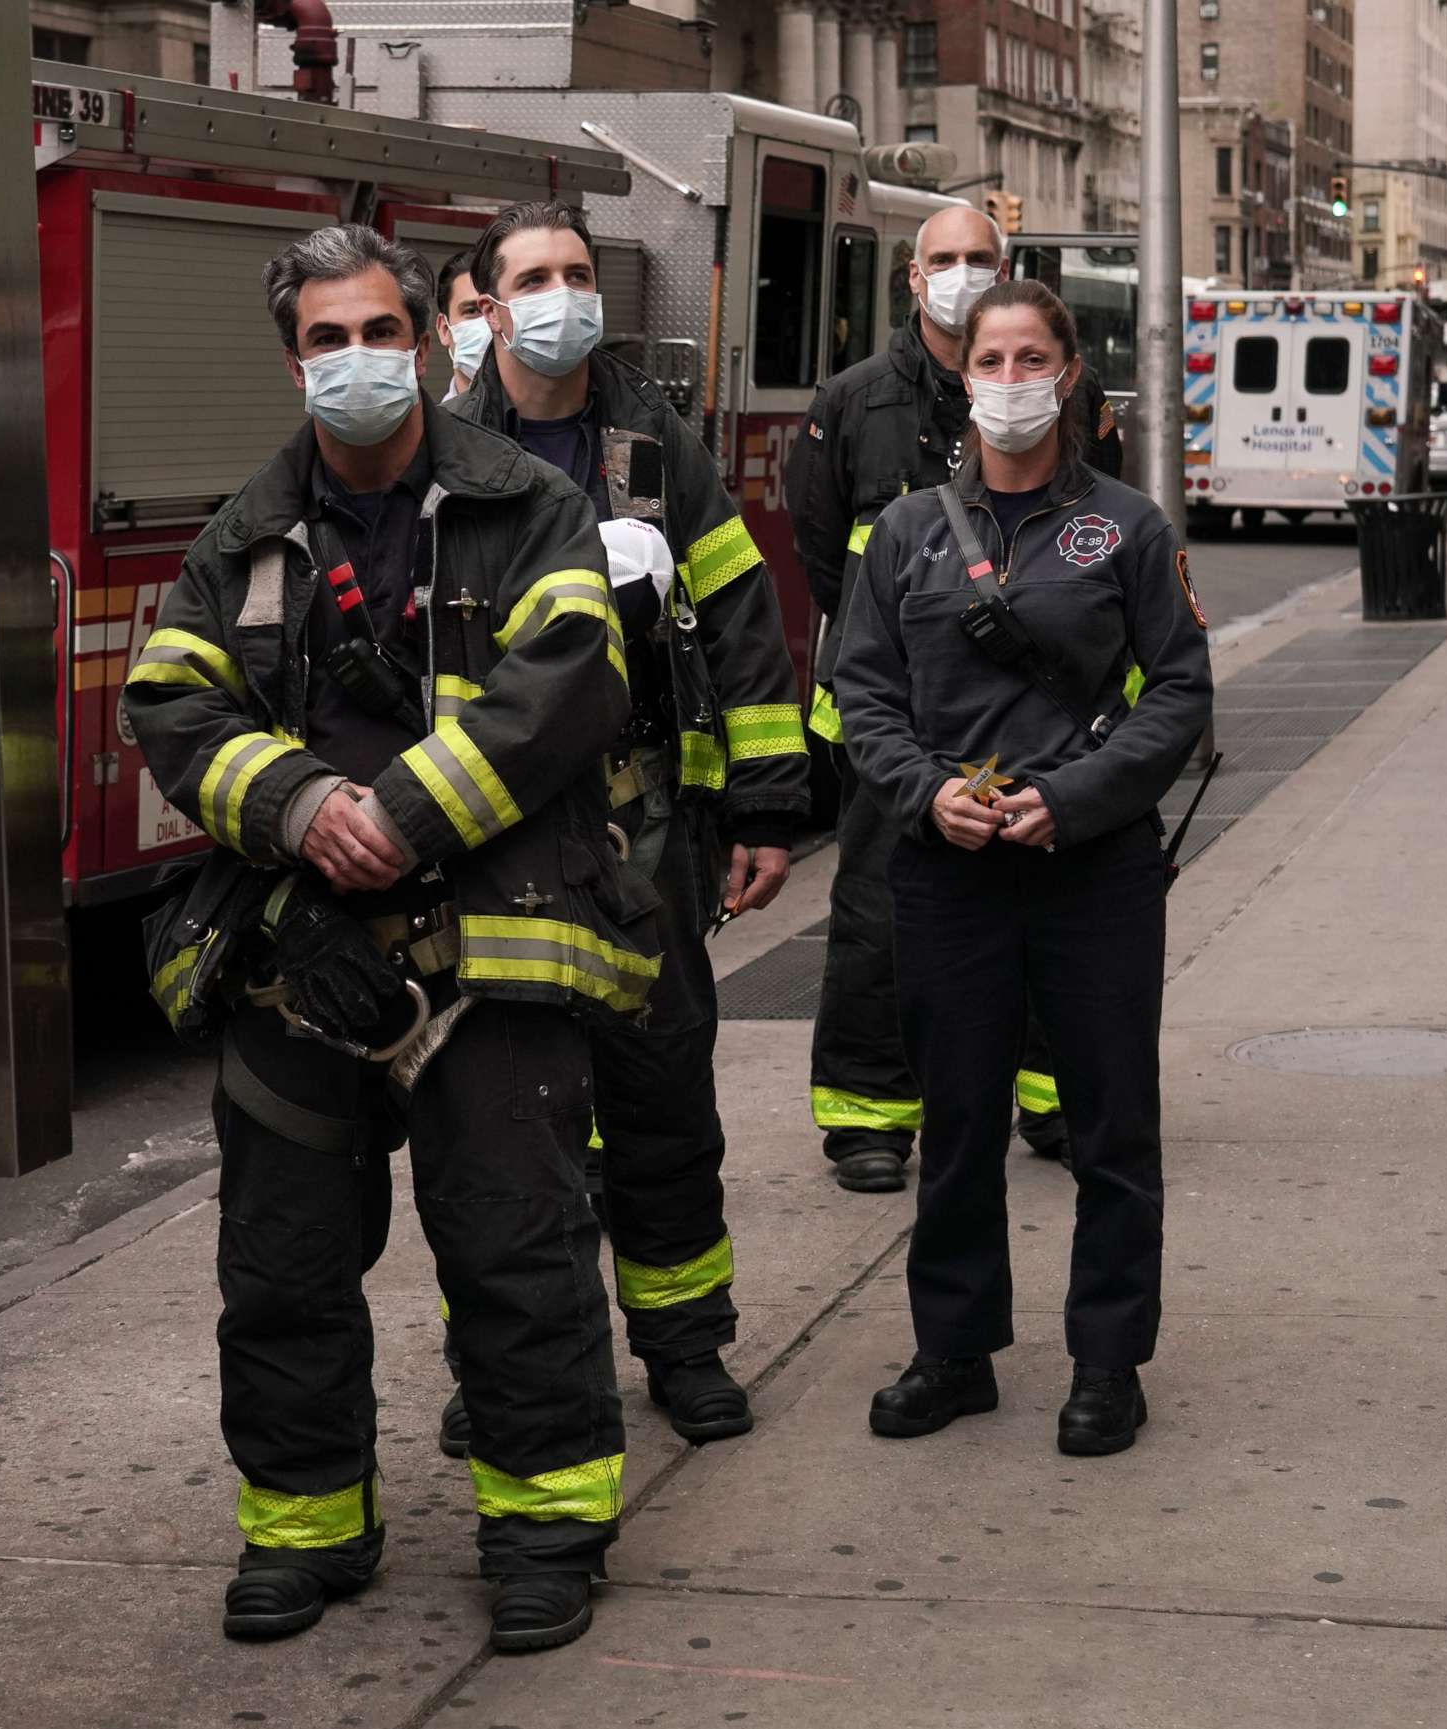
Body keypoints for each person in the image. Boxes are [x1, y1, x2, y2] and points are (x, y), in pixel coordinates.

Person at [121, 223, 660, 1654]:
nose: (354, 360)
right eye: (324, 341)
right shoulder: (240, 534)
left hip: (494, 948)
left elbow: (574, 674)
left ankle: (546, 1526)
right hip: (300, 955)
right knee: (281, 1265)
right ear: (290, 358)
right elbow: (172, 703)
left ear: (424, 338)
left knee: (516, 1247)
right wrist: (302, 812)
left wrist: (399, 817)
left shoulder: (525, 503)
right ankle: (307, 1530)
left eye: (377, 332)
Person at [446, 200, 811, 1449]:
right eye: (535, 277)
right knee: (502, 1123)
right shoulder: (438, 452)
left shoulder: (657, 442)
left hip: (641, 822)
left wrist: (765, 805)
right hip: (490, 832)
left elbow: (748, 621)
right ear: (488, 304)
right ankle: (504, 1362)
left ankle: (686, 1347)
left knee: (660, 1097)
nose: (563, 295)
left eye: (579, 273)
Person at [832, 280, 1211, 1456]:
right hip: (948, 872)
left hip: (1091, 873)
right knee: (956, 1124)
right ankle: (954, 1352)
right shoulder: (904, 537)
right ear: (966, 380)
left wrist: (1075, 800)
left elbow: (1183, 695)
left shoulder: (1129, 529)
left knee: (1111, 1124)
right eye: (989, 359)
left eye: (1029, 356)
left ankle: (1108, 1362)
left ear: (1067, 374)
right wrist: (924, 793)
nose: (1007, 379)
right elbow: (863, 695)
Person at [786, 205, 1073, 1195]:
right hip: (890, 721)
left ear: (1008, 269)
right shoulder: (851, 401)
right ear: (912, 280)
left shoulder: (1053, 394)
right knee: (876, 917)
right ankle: (869, 1114)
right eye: (941, 260)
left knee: (1046, 903)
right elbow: (823, 557)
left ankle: (1051, 1094)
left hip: (1029, 708)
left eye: (977, 258)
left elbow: (1094, 545)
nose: (958, 273)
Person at [435, 254, 491, 401]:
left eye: (494, 309)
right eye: (472, 311)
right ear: (445, 330)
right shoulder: (431, 424)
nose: (489, 324)